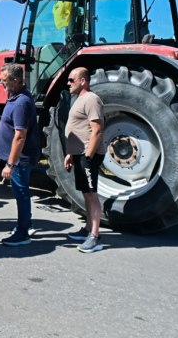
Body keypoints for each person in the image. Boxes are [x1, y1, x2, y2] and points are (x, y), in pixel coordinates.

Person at [63, 67, 105, 253]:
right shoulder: (79, 99)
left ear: (83, 81)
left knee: (91, 194)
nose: (68, 83)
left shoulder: (91, 99)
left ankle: (94, 237)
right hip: (79, 153)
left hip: (88, 155)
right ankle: (88, 229)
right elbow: (78, 127)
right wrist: (71, 153)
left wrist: (88, 155)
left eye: (72, 80)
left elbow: (97, 129)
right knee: (86, 194)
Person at [0, 63, 40, 247]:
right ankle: (26, 225)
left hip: (20, 160)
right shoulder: (16, 96)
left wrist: (10, 164)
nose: (1, 83)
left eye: (4, 80)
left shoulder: (22, 102)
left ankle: (23, 233)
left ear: (15, 81)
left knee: (21, 193)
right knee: (21, 192)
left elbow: (20, 136)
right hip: (19, 159)